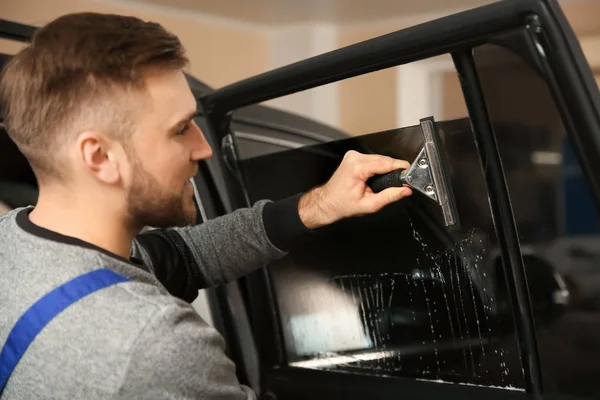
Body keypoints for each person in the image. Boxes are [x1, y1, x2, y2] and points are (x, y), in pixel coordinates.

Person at [0, 12, 413, 399]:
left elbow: (184, 255)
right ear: (99, 157)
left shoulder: (17, 244)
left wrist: (321, 205)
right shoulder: (154, 344)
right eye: (180, 129)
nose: (203, 148)